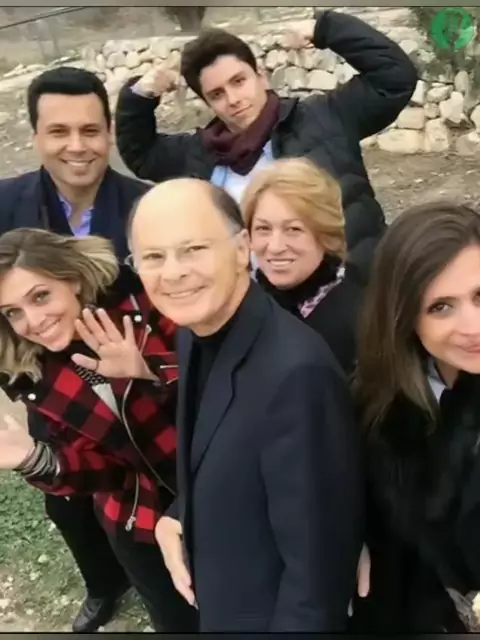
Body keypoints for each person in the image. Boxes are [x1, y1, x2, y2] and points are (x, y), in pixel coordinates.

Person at [127, 178, 364, 631]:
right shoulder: (194, 332)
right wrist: (176, 515)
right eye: (153, 257)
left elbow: (317, 575)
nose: (172, 273)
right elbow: (228, 454)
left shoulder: (296, 375)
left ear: (240, 250)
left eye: (193, 249)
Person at [0, 66, 152, 632]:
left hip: (131, 379)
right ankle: (102, 583)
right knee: (64, 497)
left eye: (90, 130)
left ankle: (152, 571)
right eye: (59, 131)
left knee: (133, 486)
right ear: (36, 136)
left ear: (109, 133)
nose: (76, 146)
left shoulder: (146, 206)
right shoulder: (4, 203)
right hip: (42, 380)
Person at [115, 9, 418, 281]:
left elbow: (393, 79)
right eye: (217, 94)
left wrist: (326, 28)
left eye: (238, 81)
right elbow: (142, 154)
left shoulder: (324, 117)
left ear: (260, 75)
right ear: (207, 103)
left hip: (353, 288)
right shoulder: (201, 153)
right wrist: (140, 96)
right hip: (263, 308)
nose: (233, 99)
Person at [0, 228, 198, 632]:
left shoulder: (141, 302)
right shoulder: (30, 370)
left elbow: (221, 387)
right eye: (12, 312)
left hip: (215, 481)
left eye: (40, 296)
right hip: (139, 517)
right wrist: (35, 459)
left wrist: (148, 372)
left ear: (72, 279)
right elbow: (106, 473)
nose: (32, 322)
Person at [353, 202, 480, 632]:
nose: (473, 326)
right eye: (441, 307)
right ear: (404, 317)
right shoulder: (377, 405)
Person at [242, 157, 363, 376]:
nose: (275, 247)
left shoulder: (358, 320)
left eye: (294, 229)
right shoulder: (244, 304)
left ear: (325, 234)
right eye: (263, 229)